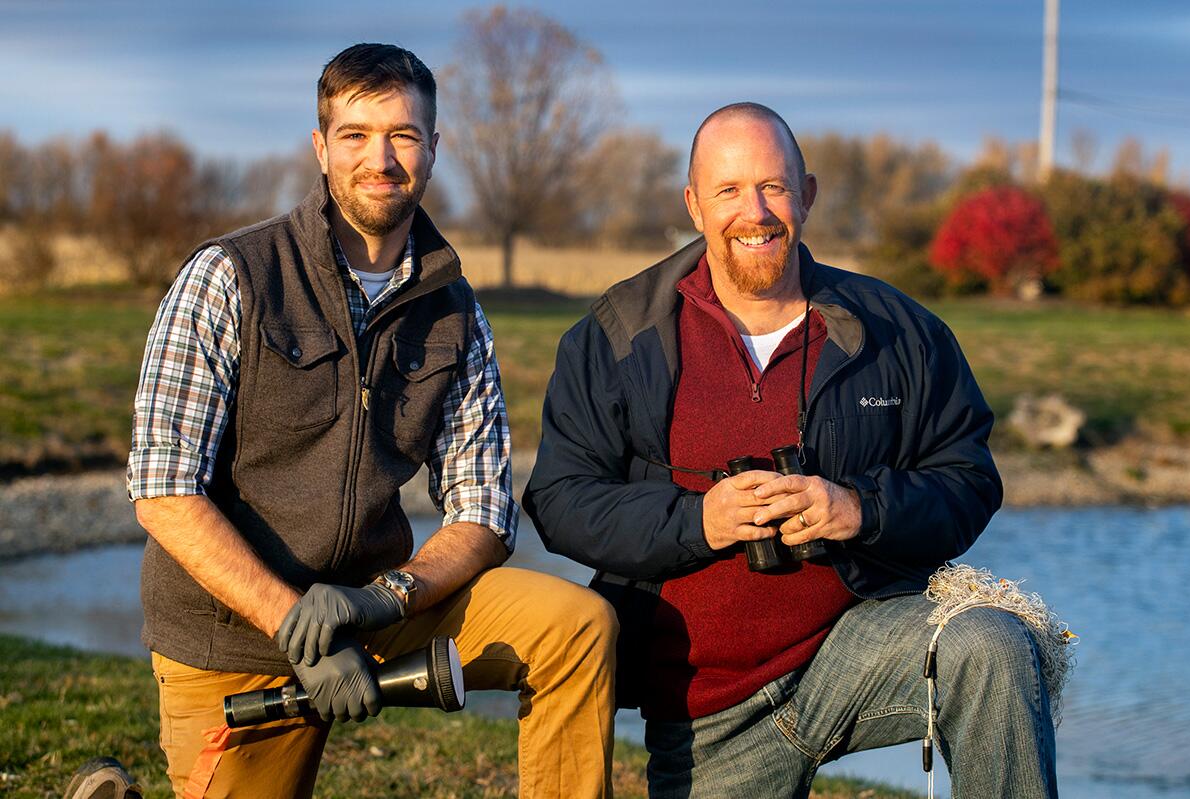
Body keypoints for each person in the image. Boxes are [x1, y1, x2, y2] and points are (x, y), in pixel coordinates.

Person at [94, 43, 616, 799]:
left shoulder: (455, 309)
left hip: (378, 604)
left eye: (404, 135)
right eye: (356, 134)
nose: (382, 158)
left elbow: (486, 509)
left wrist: (386, 596)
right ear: (321, 146)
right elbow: (164, 489)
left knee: (576, 625)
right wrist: (290, 622)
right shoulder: (229, 274)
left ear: (434, 148)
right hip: (238, 631)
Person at [523, 102, 1058, 797]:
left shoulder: (898, 331)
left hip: (855, 647)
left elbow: (968, 478)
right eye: (729, 190)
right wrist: (700, 521)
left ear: (806, 194)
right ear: (694, 205)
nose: (756, 211)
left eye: (774, 187)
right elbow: (561, 501)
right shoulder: (618, 334)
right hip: (706, 707)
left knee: (990, 645)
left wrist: (857, 509)